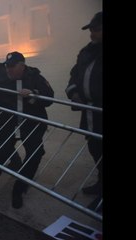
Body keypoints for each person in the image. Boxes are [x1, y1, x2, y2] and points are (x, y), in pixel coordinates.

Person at [0, 51, 54, 209]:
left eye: (12, 67)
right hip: (8, 123)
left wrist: (34, 94)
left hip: (31, 123)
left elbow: (49, 97)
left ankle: (18, 190)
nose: (8, 70)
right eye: (7, 67)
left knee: (35, 153)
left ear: (22, 66)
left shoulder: (35, 77)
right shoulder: (2, 79)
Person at [65, 12, 102, 198]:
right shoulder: (86, 52)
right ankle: (101, 183)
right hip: (90, 113)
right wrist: (73, 91)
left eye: (96, 30)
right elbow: (74, 74)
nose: (92, 34)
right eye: (91, 30)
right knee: (95, 148)